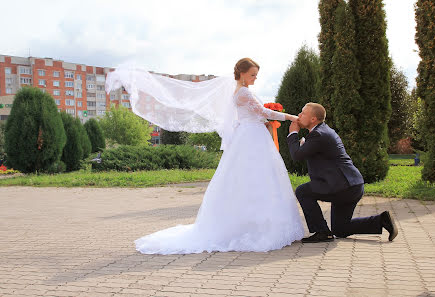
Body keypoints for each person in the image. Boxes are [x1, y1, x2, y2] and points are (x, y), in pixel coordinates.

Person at [106, 58, 305, 254]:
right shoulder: (243, 92)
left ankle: (260, 222)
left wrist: (267, 119)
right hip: (250, 137)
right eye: (252, 75)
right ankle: (253, 227)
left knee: (259, 177)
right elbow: (261, 111)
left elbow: (257, 114)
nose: (255, 78)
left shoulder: (243, 91)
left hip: (253, 134)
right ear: (242, 74)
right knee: (251, 177)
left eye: (256, 75)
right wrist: (290, 117)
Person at [287, 103, 398, 243]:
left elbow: (297, 155)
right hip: (350, 185)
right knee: (341, 229)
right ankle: (381, 220)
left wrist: (293, 133)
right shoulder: (321, 132)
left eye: (303, 113)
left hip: (343, 186)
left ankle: (321, 232)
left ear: (313, 119)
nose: (299, 115)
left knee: (303, 191)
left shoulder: (319, 134)